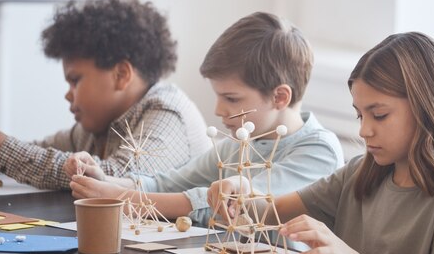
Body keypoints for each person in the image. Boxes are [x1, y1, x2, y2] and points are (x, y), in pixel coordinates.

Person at [208, 32, 434, 254]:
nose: (364, 130)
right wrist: (242, 191)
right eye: (360, 115)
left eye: (379, 115)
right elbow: (272, 211)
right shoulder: (359, 173)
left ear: (427, 108)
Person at [70, 12, 344, 226]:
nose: (218, 110)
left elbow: (236, 203)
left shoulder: (319, 152)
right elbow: (167, 183)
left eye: (232, 98)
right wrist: (106, 180)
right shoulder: (236, 145)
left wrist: (118, 198)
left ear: (280, 97)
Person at [0, 0, 210, 189]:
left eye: (75, 81)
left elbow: (112, 179)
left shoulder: (167, 113)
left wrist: (5, 152)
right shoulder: (96, 128)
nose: (68, 94)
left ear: (121, 75)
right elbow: (40, 151)